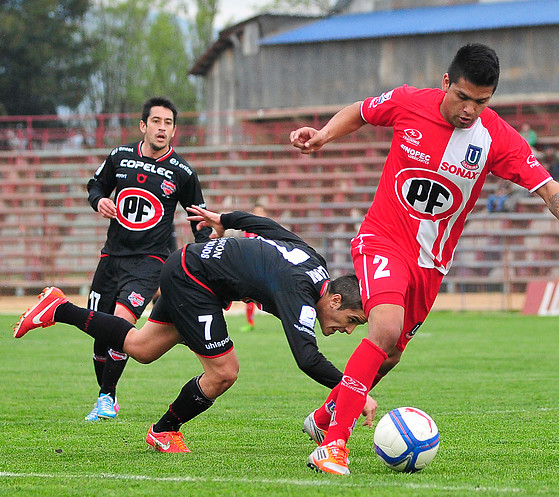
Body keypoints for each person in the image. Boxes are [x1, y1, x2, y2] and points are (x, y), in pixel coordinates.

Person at [290, 42, 559, 475]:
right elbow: (360, 110)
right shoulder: (408, 102)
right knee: (385, 329)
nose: (471, 110)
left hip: (431, 265)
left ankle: (323, 418)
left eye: (482, 101)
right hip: (384, 239)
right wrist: (324, 134)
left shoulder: (496, 136)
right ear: (446, 82)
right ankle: (334, 444)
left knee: (392, 352)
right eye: (464, 97)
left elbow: (548, 186)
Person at [13, 207, 375, 453]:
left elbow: (268, 227)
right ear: (336, 301)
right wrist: (353, 390)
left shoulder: (315, 264)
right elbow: (307, 359)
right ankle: (164, 430)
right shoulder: (299, 291)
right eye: (352, 321)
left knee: (142, 348)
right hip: (195, 279)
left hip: (191, 265)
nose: (348, 330)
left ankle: (59, 308)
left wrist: (225, 218)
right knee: (223, 372)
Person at [83, 97, 212, 422]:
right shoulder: (120, 156)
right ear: (143, 126)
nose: (162, 128)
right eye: (156, 121)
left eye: (168, 123)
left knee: (122, 322)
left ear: (173, 130)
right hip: (111, 257)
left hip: (150, 262)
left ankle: (106, 397)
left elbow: (198, 216)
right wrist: (99, 201)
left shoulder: (182, 171)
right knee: (100, 333)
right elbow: (95, 185)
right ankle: (106, 393)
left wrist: (204, 250)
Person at [241, 203, 267, 332]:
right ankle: (250, 322)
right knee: (249, 295)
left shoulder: (268, 230)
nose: (258, 215)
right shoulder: (248, 231)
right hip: (251, 267)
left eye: (260, 212)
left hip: (265, 267)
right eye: (255, 212)